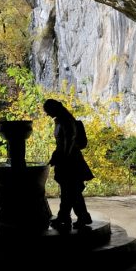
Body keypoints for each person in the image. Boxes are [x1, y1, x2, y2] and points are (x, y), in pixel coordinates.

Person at [43, 99, 94, 232]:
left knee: (69, 191)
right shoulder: (63, 119)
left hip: (70, 161)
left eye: (48, 111)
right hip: (69, 159)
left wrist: (62, 158)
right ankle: (81, 216)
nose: (47, 114)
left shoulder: (65, 121)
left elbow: (68, 143)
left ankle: (66, 216)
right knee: (72, 191)